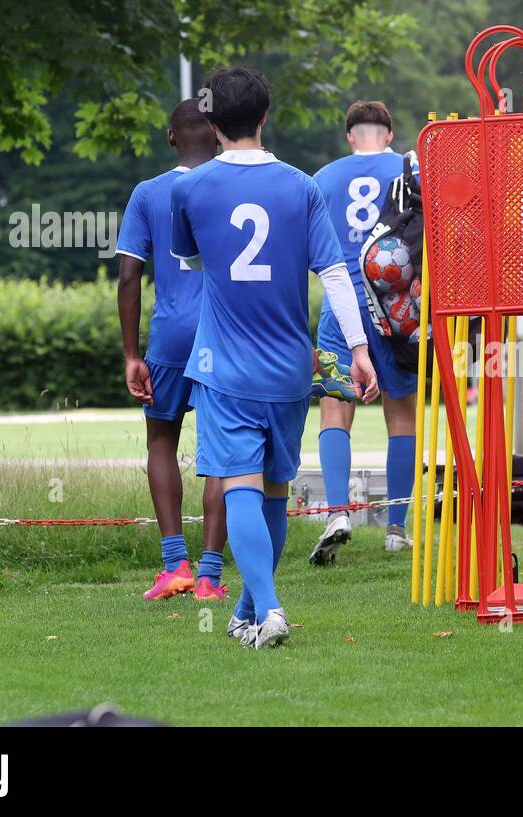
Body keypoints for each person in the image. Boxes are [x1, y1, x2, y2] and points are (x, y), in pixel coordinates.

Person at [171, 66, 379, 649]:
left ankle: (270, 609)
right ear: (264, 117)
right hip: (292, 366)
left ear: (212, 124)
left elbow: (189, 261)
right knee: (276, 492)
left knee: (239, 486)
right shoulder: (302, 186)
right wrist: (358, 348)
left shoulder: (188, 188)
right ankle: (248, 611)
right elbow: (336, 272)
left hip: (224, 366)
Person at [116, 98, 227, 602]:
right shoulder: (236, 185)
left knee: (161, 441)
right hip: (226, 333)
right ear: (218, 131)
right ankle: (209, 576)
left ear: (171, 137)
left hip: (170, 337)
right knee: (223, 452)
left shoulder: (147, 193)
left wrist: (130, 354)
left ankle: (174, 565)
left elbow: (128, 277)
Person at [309, 101, 418, 564]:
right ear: (389, 135)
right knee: (402, 418)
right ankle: (396, 527)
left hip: (341, 306)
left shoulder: (322, 178)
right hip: (394, 310)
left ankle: (337, 512)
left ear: (350, 136)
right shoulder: (407, 170)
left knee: (335, 413)